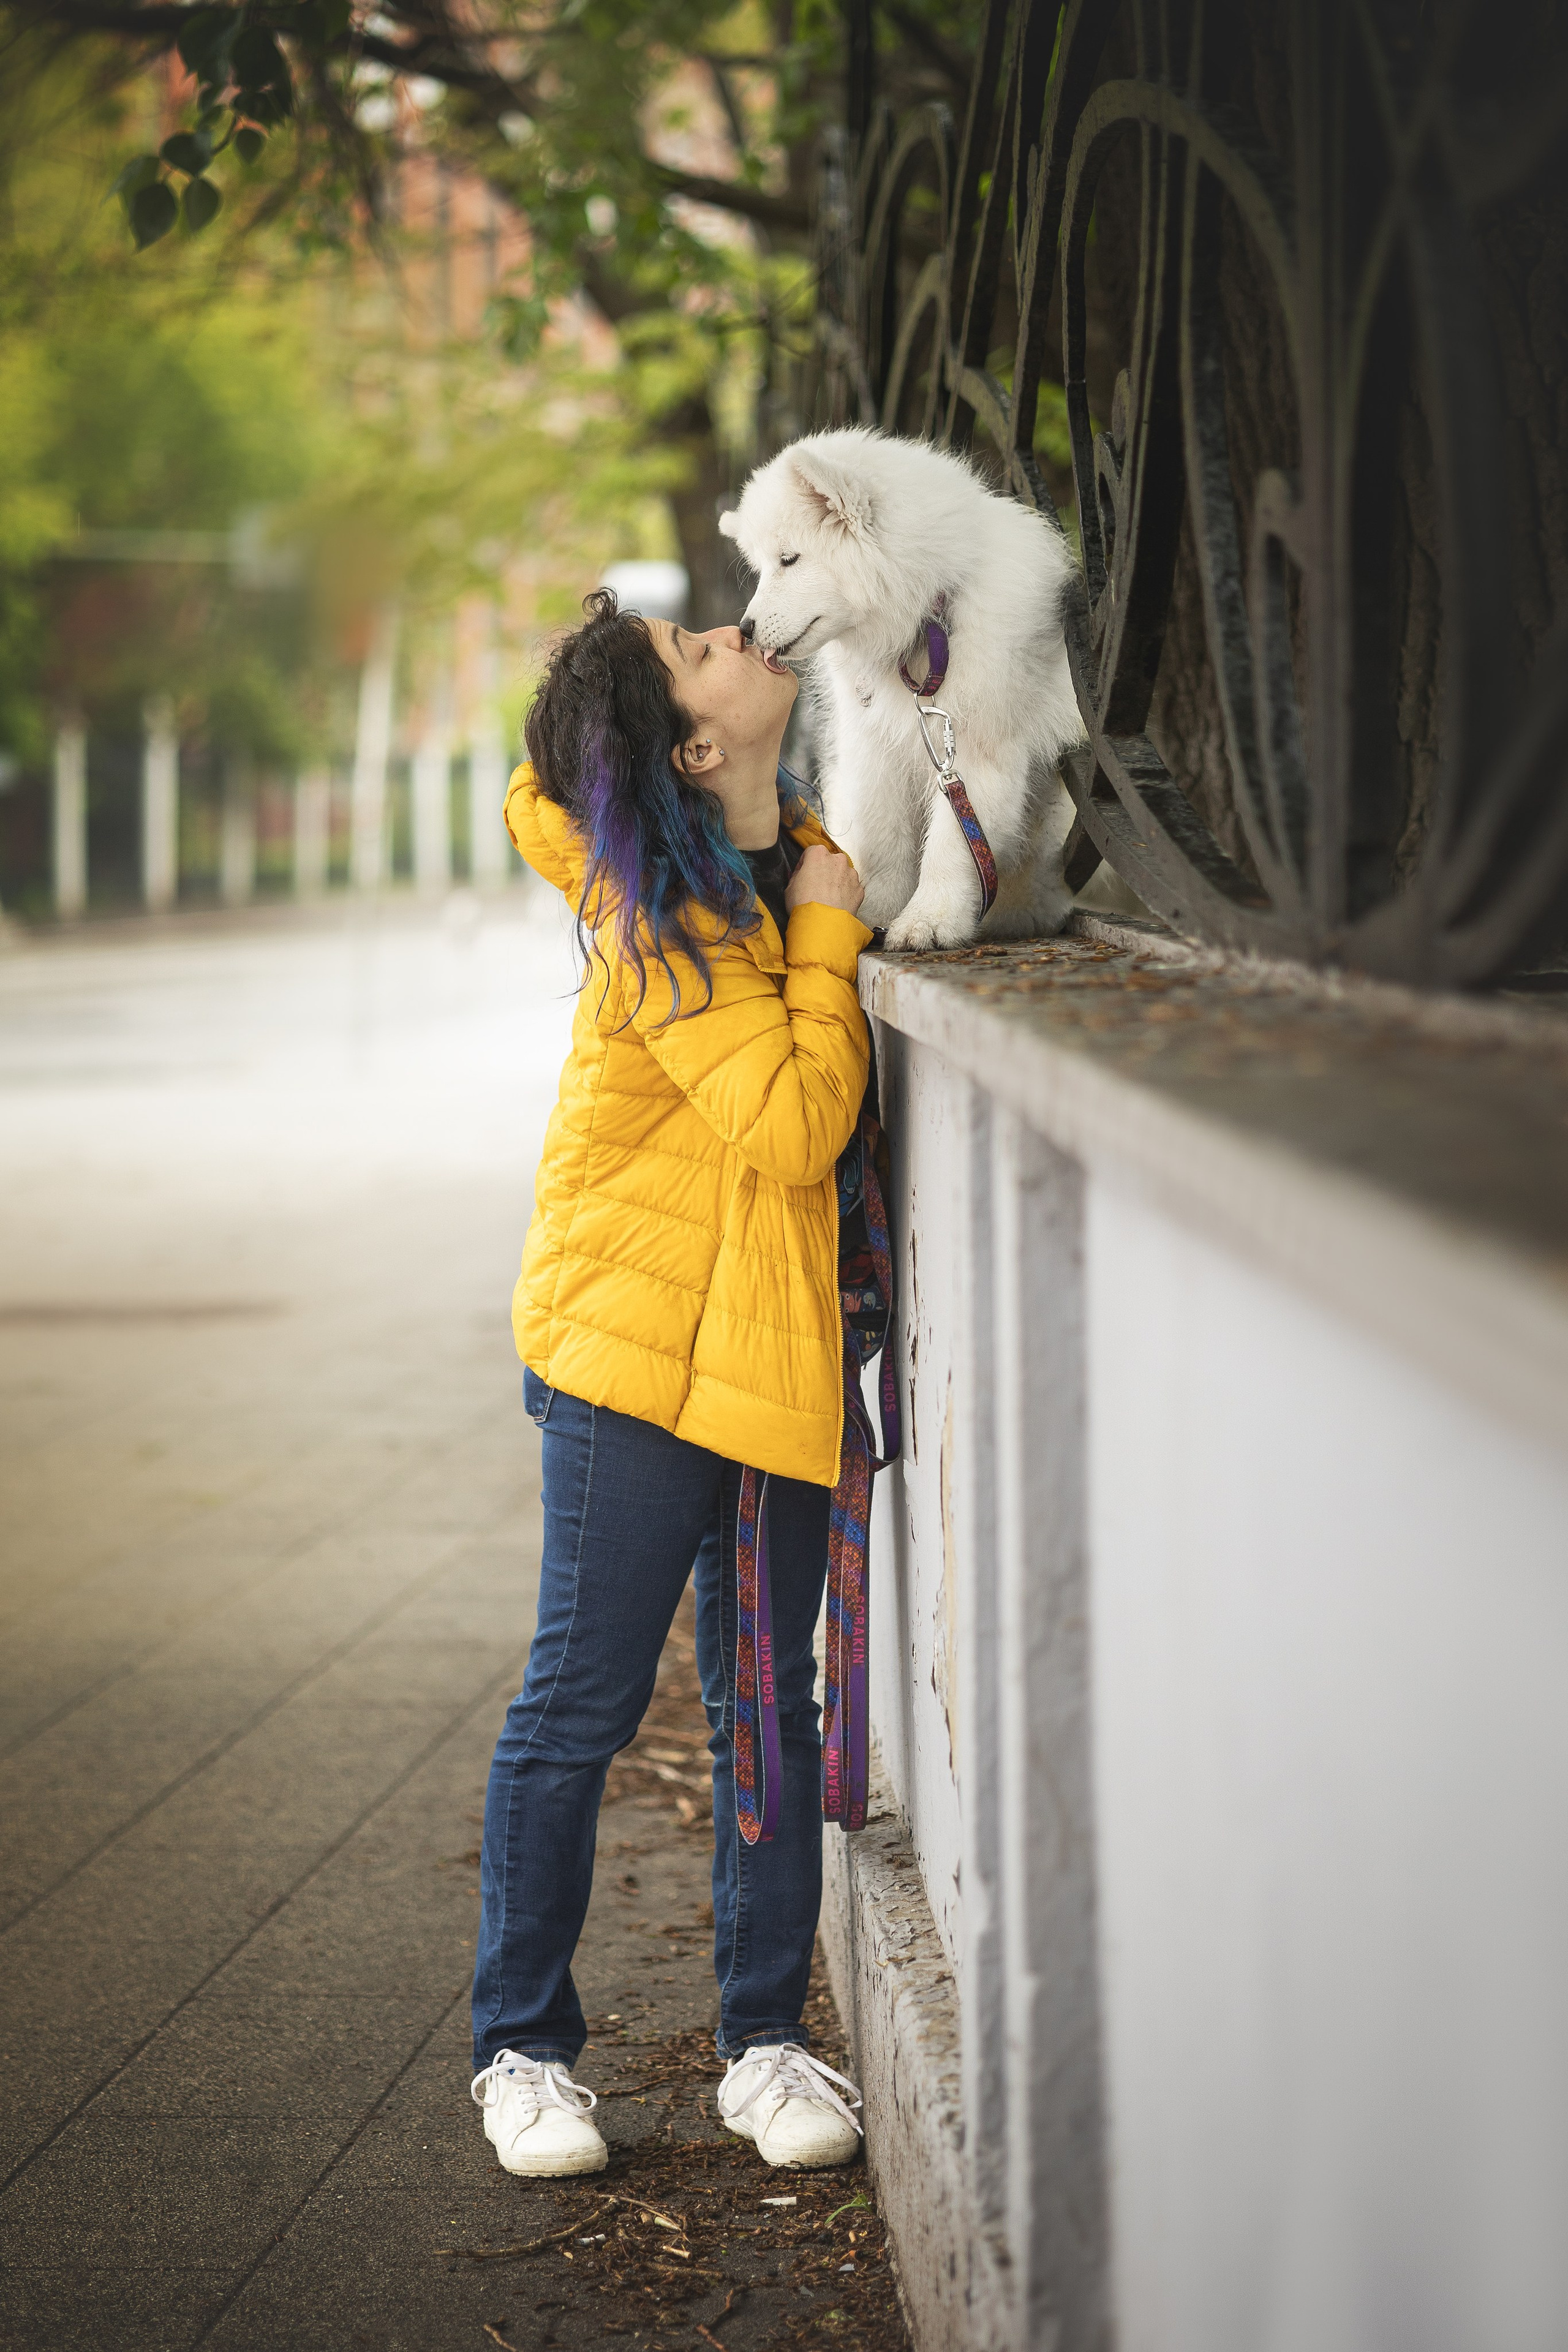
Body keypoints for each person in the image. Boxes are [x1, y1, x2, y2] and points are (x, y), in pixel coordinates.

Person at [470, 589, 872, 2180]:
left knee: (768, 1704)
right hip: (634, 1363)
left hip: (767, 1364)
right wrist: (832, 934)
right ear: (697, 742)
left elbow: (543, 782)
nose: (735, 630)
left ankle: (765, 2042)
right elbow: (792, 1124)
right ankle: (521, 2048)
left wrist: (817, 890)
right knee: (583, 1699)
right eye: (699, 649)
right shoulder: (671, 918)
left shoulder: (779, 851)